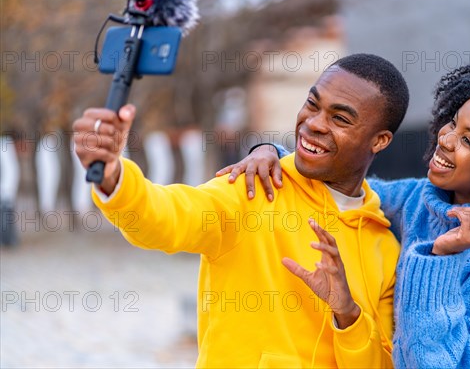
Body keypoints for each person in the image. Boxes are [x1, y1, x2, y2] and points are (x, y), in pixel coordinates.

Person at [218, 62, 470, 367]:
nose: (446, 139)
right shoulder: (423, 199)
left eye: (468, 140)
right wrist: (273, 154)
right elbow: (352, 187)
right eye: (452, 123)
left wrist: (441, 257)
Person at [72, 53, 410, 367]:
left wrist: (347, 313)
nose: (314, 123)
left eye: (339, 118)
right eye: (312, 104)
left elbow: (380, 362)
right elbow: (163, 217)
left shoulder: (384, 246)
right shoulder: (252, 187)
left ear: (379, 141)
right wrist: (114, 176)